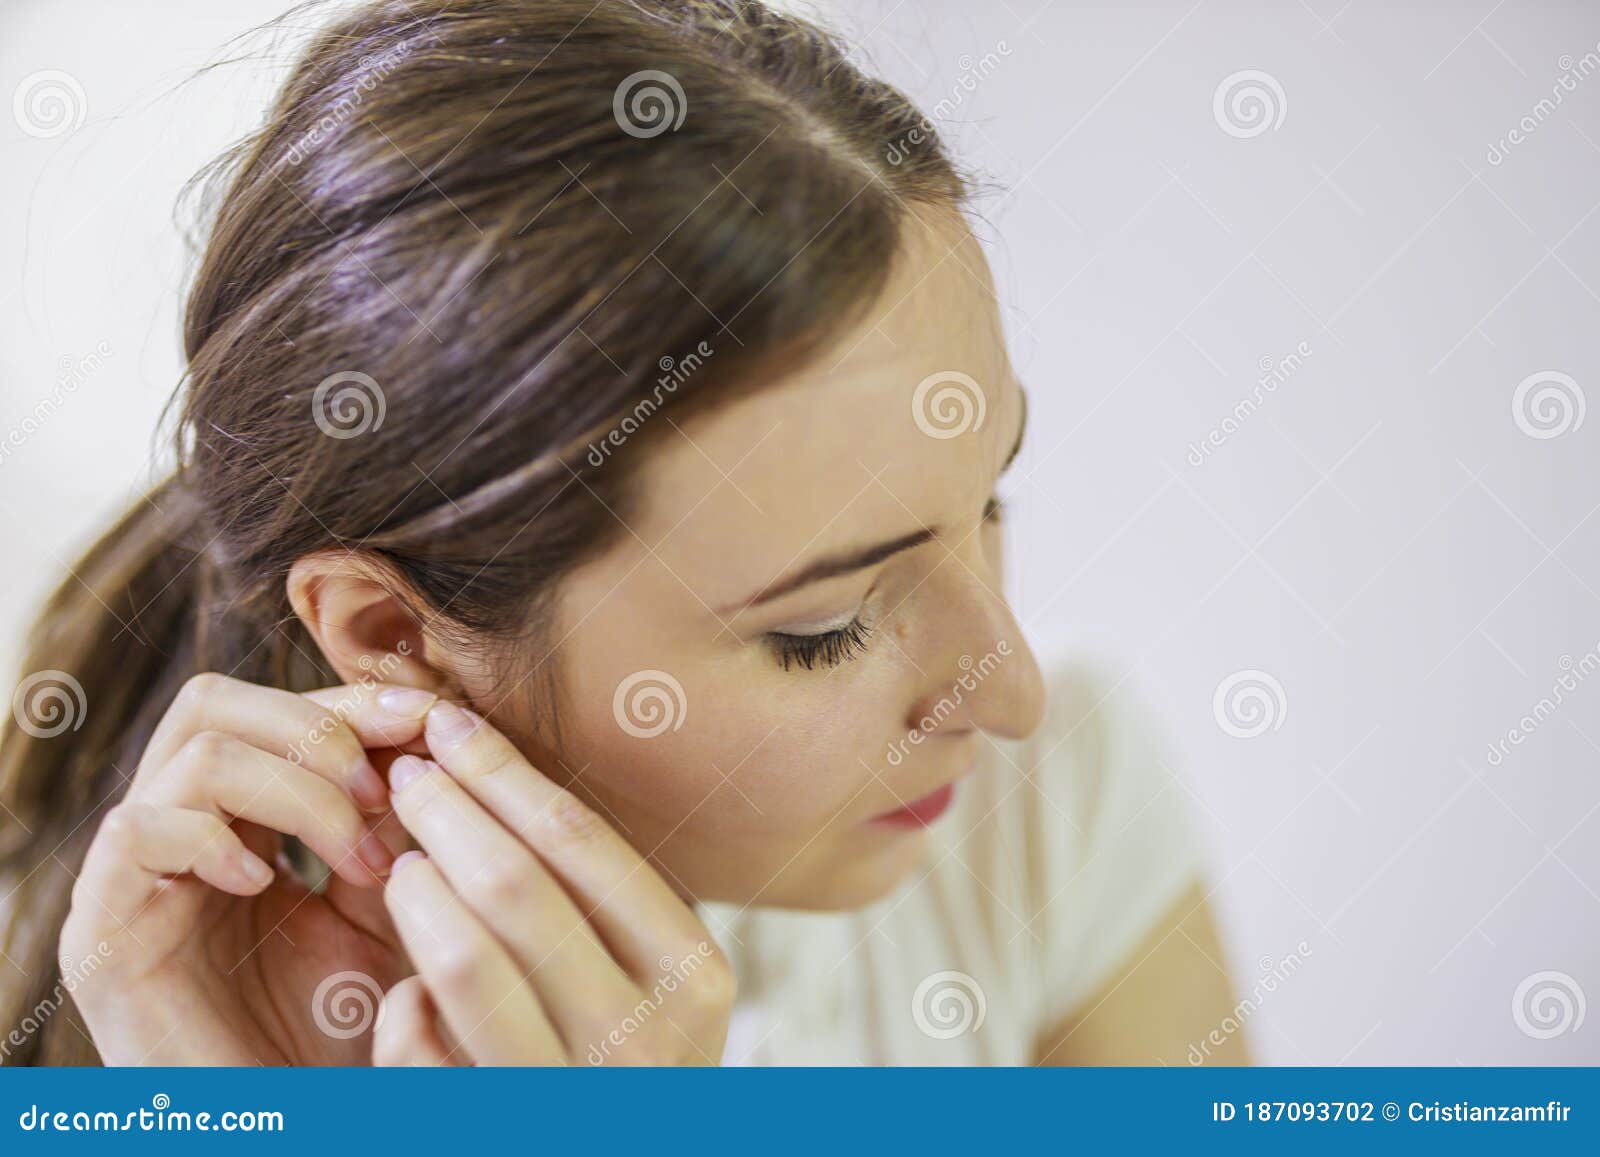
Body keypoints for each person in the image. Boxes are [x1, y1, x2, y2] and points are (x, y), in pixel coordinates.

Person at [0, 0, 1243, 1066]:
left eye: (992, 501)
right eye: (823, 628)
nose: (1006, 690)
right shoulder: (121, 999)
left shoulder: (1051, 798)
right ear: (393, 638)